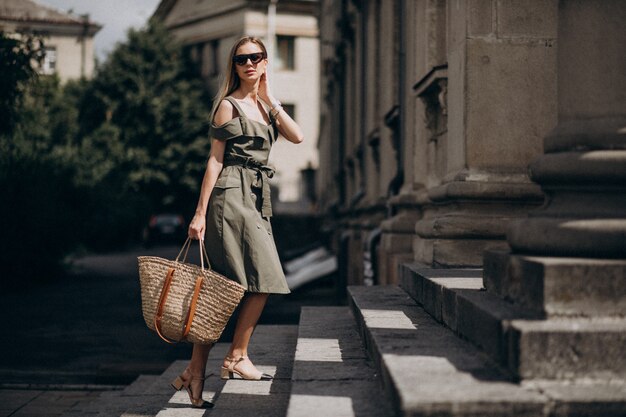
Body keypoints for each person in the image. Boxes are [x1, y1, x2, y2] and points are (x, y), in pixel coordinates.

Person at [170, 36, 305, 408]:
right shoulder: (227, 107)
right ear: (234, 66)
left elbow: (298, 136)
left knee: (242, 285)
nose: (248, 63)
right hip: (230, 194)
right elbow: (215, 160)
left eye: (255, 57)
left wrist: (269, 97)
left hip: (256, 197)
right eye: (241, 59)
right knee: (236, 286)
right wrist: (199, 213)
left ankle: (197, 373)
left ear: (264, 63)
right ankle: (234, 357)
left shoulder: (264, 108)